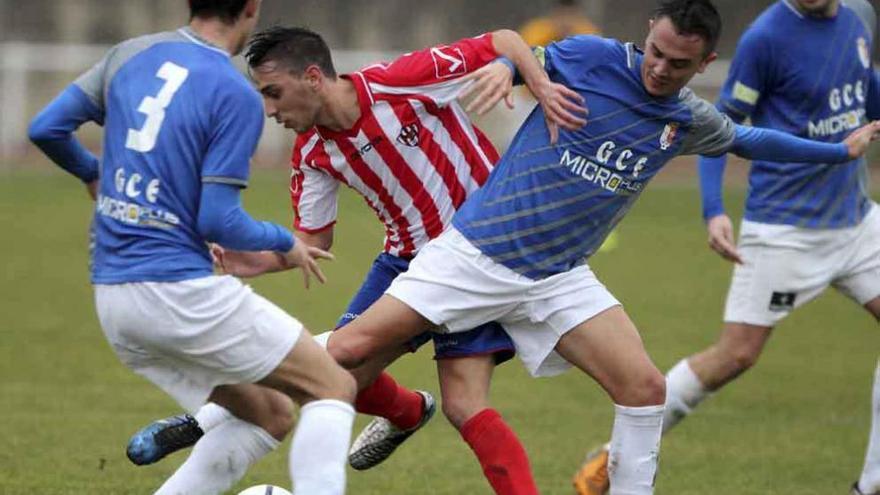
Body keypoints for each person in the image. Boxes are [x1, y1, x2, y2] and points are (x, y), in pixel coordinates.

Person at [321, 0, 880, 493]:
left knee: (644, 387)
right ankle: (251, 382)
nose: (661, 69)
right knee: (346, 354)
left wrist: (838, 152)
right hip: (475, 257)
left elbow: (748, 139)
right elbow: (521, 56)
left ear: (705, 64)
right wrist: (499, 68)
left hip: (559, 276)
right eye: (656, 51)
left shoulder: (687, 117)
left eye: (679, 64)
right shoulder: (591, 57)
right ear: (649, 29)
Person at [126, 25, 585, 495]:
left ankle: (210, 418)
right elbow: (313, 236)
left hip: (480, 255)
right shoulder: (311, 151)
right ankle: (406, 411)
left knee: (463, 404)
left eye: (273, 93)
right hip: (405, 262)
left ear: (312, 77)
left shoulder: (399, 80)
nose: (269, 111)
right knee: (334, 378)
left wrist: (540, 87)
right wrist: (256, 261)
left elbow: (505, 40)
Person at [27, 1, 357, 494]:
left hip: (115, 298)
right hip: (176, 289)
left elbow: (45, 128)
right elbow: (218, 219)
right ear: (251, 8)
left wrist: (91, 172)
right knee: (333, 386)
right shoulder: (234, 93)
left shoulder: (129, 54)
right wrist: (285, 242)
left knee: (269, 412)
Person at [572, 0, 880, 494]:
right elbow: (722, 128)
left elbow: (865, 89)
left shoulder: (861, 15)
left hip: (858, 219)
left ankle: (869, 485)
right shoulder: (767, 38)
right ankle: (616, 456)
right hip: (784, 230)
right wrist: (714, 209)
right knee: (735, 355)